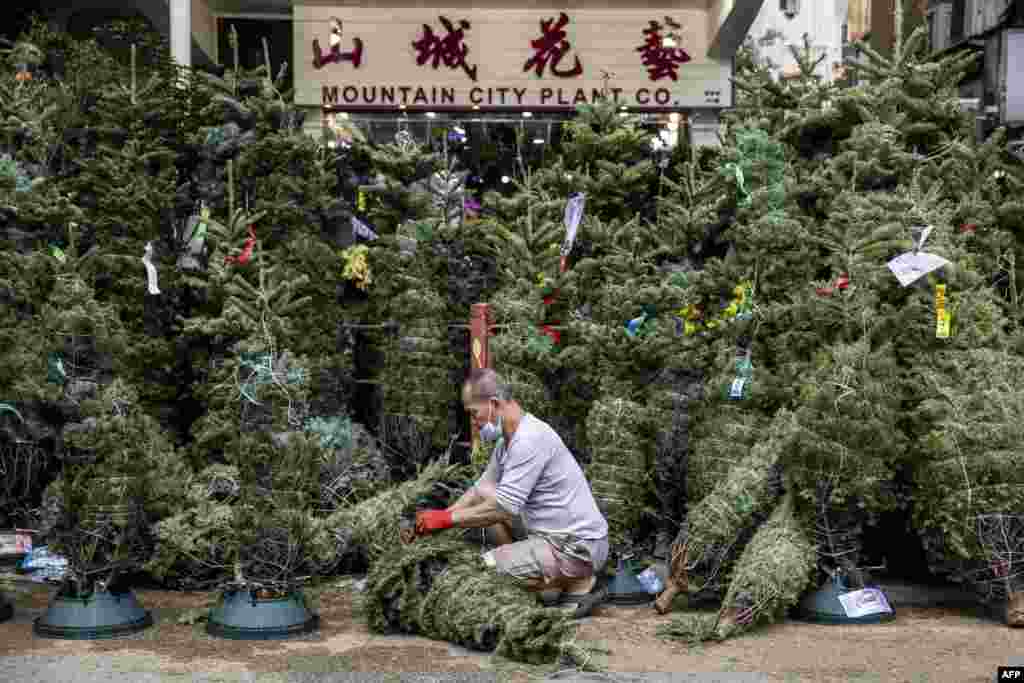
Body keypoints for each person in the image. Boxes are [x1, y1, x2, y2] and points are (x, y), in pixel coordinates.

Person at [407, 368, 610, 618]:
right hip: (552, 535)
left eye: (474, 413)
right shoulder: (507, 442)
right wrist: (436, 521)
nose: (473, 421)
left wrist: (447, 520)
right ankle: (528, 571)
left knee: (480, 571)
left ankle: (578, 583)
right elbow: (478, 490)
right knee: (484, 493)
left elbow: (502, 507)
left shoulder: (529, 440)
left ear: (493, 404)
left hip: (576, 546)